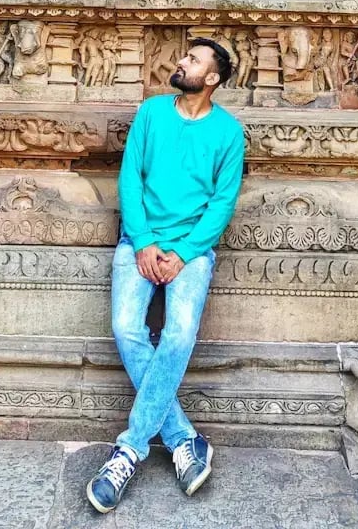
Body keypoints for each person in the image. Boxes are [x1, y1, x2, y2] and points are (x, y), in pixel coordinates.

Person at [86, 37, 245, 513]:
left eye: (193, 60)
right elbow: (130, 178)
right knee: (126, 327)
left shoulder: (229, 133)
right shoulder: (152, 113)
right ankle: (182, 438)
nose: (181, 62)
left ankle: (130, 447)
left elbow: (222, 203)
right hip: (139, 241)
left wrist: (183, 252)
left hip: (191, 252)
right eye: (185, 56)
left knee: (178, 335)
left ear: (212, 79)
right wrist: (146, 240)